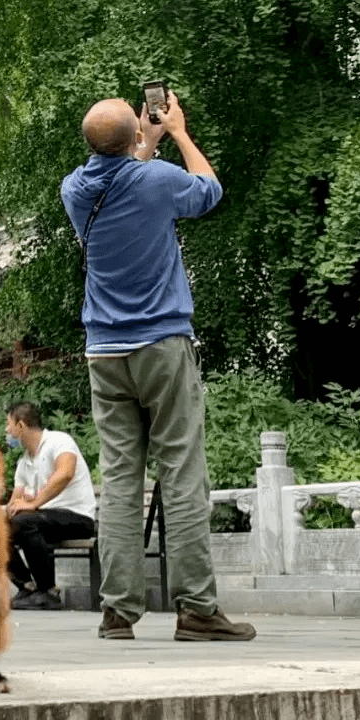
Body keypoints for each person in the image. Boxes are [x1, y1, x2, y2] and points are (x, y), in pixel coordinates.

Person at [60, 91, 256, 641]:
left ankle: (117, 611)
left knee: (121, 478)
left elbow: (119, 177)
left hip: (104, 352)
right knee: (181, 473)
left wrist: (140, 145)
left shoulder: (74, 190)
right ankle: (196, 609)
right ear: (132, 136)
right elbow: (209, 190)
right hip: (162, 346)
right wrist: (179, 134)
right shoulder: (158, 179)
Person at [4, 402, 96, 611]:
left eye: (8, 425)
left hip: (76, 516)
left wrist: (34, 503)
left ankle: (49, 591)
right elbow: (14, 502)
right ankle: (27, 587)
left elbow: (65, 473)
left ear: (20, 425)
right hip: (44, 519)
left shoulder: (59, 441)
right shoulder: (24, 463)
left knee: (24, 521)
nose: (7, 432)